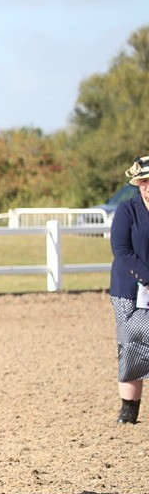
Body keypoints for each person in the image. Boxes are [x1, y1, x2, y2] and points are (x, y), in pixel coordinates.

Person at [109, 154, 149, 425]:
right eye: (144, 182)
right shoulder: (127, 210)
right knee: (133, 345)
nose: (147, 186)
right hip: (131, 290)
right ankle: (129, 408)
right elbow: (121, 250)